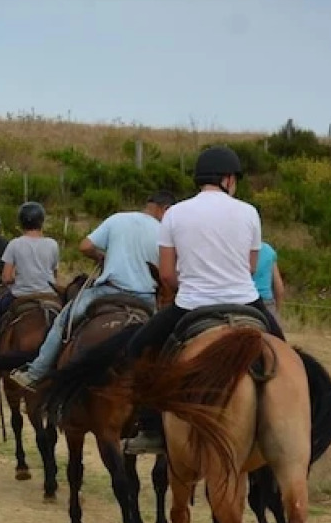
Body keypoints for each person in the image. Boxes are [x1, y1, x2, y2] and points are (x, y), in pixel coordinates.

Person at [114, 146, 281, 453]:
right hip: (245, 302)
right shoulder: (249, 212)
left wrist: (192, 282)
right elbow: (251, 267)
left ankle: (151, 428)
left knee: (139, 348)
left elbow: (165, 275)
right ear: (228, 179)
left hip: (191, 305)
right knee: (284, 353)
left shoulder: (175, 214)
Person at [9, 191, 174, 389]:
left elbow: (85, 246)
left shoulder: (118, 219)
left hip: (109, 291)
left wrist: (101, 257)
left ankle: (36, 372)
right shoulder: (164, 231)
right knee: (165, 339)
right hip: (146, 298)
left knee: (64, 321)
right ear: (165, 209)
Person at [0, 202, 60, 349]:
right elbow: (55, 275)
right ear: (41, 222)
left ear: (21, 222)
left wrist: (18, 279)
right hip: (49, 295)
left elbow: (6, 278)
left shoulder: (15, 244)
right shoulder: (53, 244)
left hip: (21, 295)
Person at [254, 239, 287, 323]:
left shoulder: (234, 249)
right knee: (276, 334)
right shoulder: (268, 250)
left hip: (239, 301)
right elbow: (278, 286)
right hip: (265, 303)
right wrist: (277, 311)